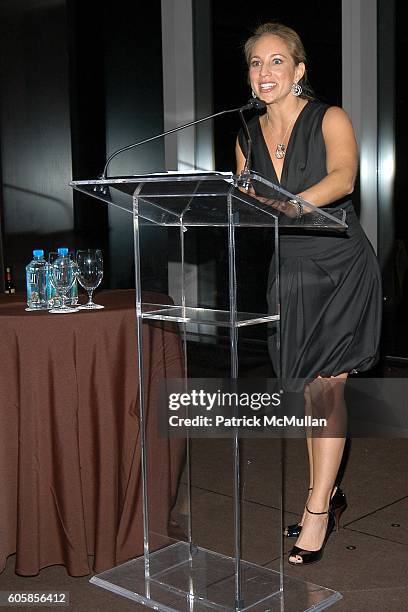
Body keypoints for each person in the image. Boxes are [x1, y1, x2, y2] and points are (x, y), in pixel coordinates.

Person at [236, 22, 382, 565]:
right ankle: (328, 492)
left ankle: (317, 508)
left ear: (299, 71)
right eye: (256, 62)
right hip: (289, 271)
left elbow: (343, 180)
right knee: (304, 393)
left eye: (277, 61)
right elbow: (245, 202)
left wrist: (283, 206)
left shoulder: (330, 118)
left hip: (339, 263)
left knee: (327, 389)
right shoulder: (246, 132)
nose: (265, 71)